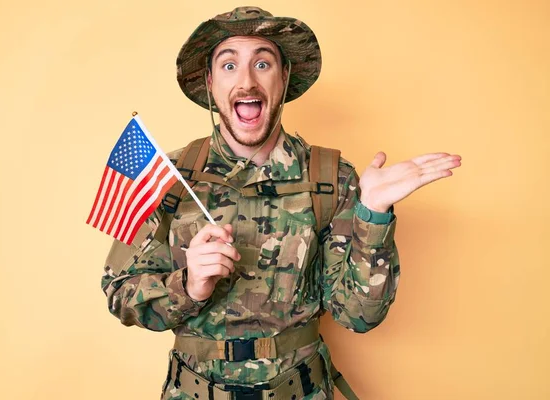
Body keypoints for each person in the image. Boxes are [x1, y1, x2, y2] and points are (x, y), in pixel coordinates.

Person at [100, 6, 461, 399]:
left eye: (262, 63)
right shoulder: (169, 177)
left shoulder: (330, 178)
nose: (246, 82)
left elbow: (358, 315)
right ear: (209, 81)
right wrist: (189, 285)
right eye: (228, 65)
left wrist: (372, 213)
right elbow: (121, 295)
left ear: (284, 77)